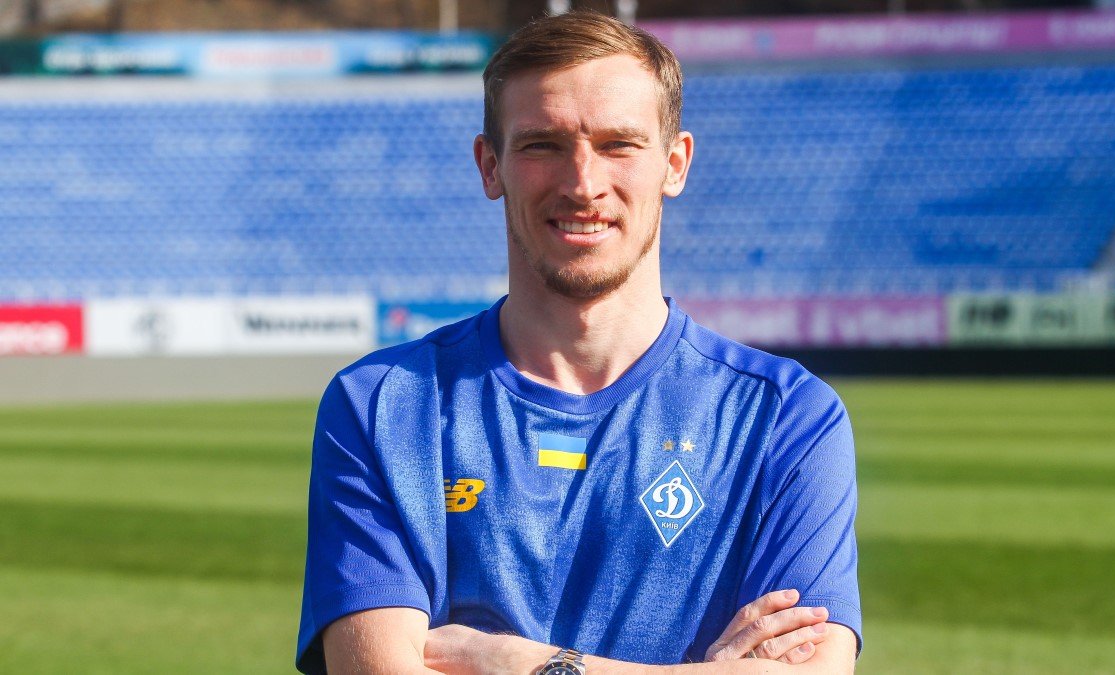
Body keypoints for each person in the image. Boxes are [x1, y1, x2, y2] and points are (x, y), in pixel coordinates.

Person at [297, 10, 861, 674]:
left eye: (619, 144)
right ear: (490, 166)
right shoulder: (380, 406)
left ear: (674, 163)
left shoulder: (787, 417)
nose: (583, 183)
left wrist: (520, 662)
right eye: (542, 145)